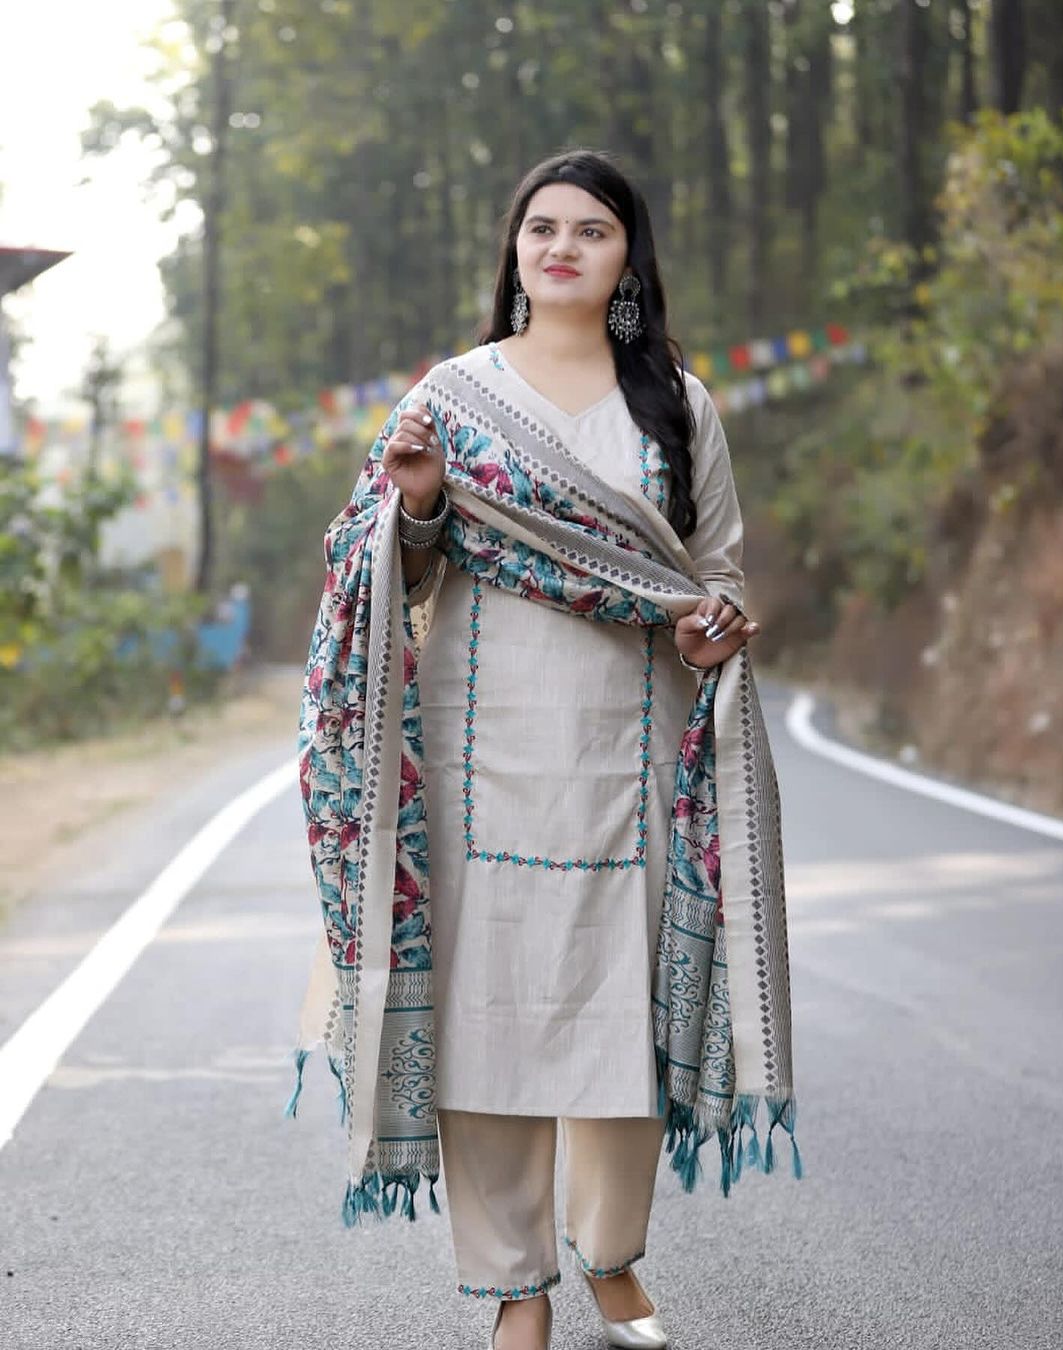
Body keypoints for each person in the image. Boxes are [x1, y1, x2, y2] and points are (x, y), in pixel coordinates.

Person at [291, 149, 797, 1350]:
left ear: (628, 260)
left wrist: (717, 623)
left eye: (591, 231)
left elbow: (715, 567)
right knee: (490, 1018)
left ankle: (611, 1256)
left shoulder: (674, 402)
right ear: (514, 251)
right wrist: (420, 503)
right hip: (479, 752)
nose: (563, 247)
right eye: (542, 228)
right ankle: (515, 1287)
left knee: (625, 1011)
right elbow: (380, 564)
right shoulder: (453, 397)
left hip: (637, 744)